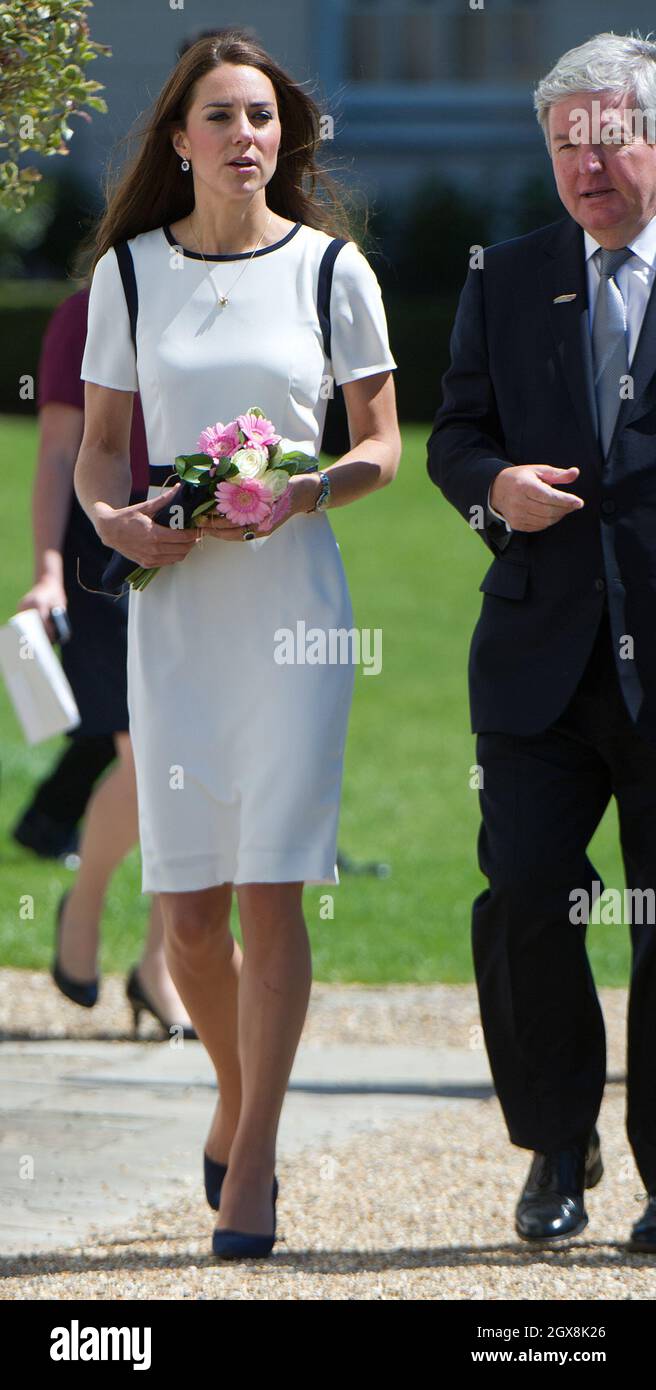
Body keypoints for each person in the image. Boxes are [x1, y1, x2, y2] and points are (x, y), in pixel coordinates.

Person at [74, 27, 400, 1260]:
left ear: (282, 136)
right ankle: (230, 1085)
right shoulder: (130, 275)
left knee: (271, 893)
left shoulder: (332, 270)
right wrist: (116, 520)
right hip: (175, 618)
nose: (245, 136)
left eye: (261, 116)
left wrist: (299, 490)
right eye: (221, 116)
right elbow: (108, 446)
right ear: (179, 140)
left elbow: (379, 445)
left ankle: (252, 1155)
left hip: (294, 618)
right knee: (189, 920)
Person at [427, 30, 656, 1253]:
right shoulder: (508, 275)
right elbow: (452, 435)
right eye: (564, 147)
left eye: (607, 142)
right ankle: (554, 1145)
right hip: (535, 664)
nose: (584, 169)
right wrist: (491, 489)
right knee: (526, 891)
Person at [16, 287, 195, 1038]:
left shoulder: (223, 299)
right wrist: (49, 568)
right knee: (154, 758)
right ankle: (86, 899)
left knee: (190, 764)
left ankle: (161, 964)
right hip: (106, 553)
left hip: (202, 545)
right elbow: (59, 452)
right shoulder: (84, 313)